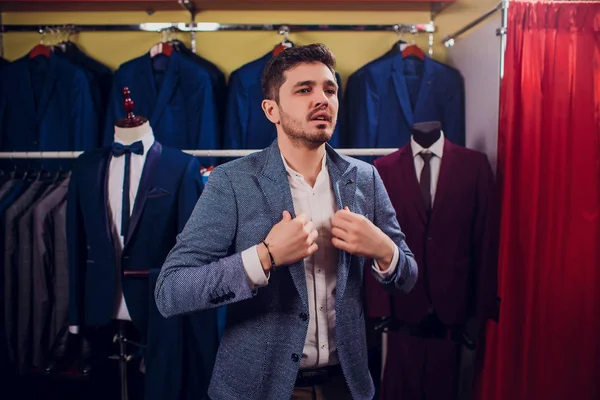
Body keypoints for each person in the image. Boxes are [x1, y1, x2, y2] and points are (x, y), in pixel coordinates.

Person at [154, 43, 418, 400]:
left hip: (347, 386)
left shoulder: (365, 179)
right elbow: (171, 292)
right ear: (271, 110)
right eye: (304, 89)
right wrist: (263, 257)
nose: (322, 99)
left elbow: (407, 278)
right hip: (257, 391)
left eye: (329, 89)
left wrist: (385, 251)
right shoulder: (231, 182)